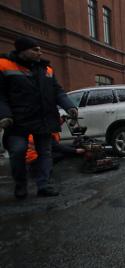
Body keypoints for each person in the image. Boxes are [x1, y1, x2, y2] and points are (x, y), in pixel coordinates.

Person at [0, 37, 78, 199]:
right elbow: (1, 96)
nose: (40, 52)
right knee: (18, 152)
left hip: (43, 119)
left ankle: (44, 185)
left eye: (40, 49)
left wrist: (69, 106)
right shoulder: (4, 65)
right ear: (22, 51)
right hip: (18, 122)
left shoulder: (46, 69)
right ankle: (20, 185)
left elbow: (57, 91)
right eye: (35, 50)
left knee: (45, 153)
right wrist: (5, 115)